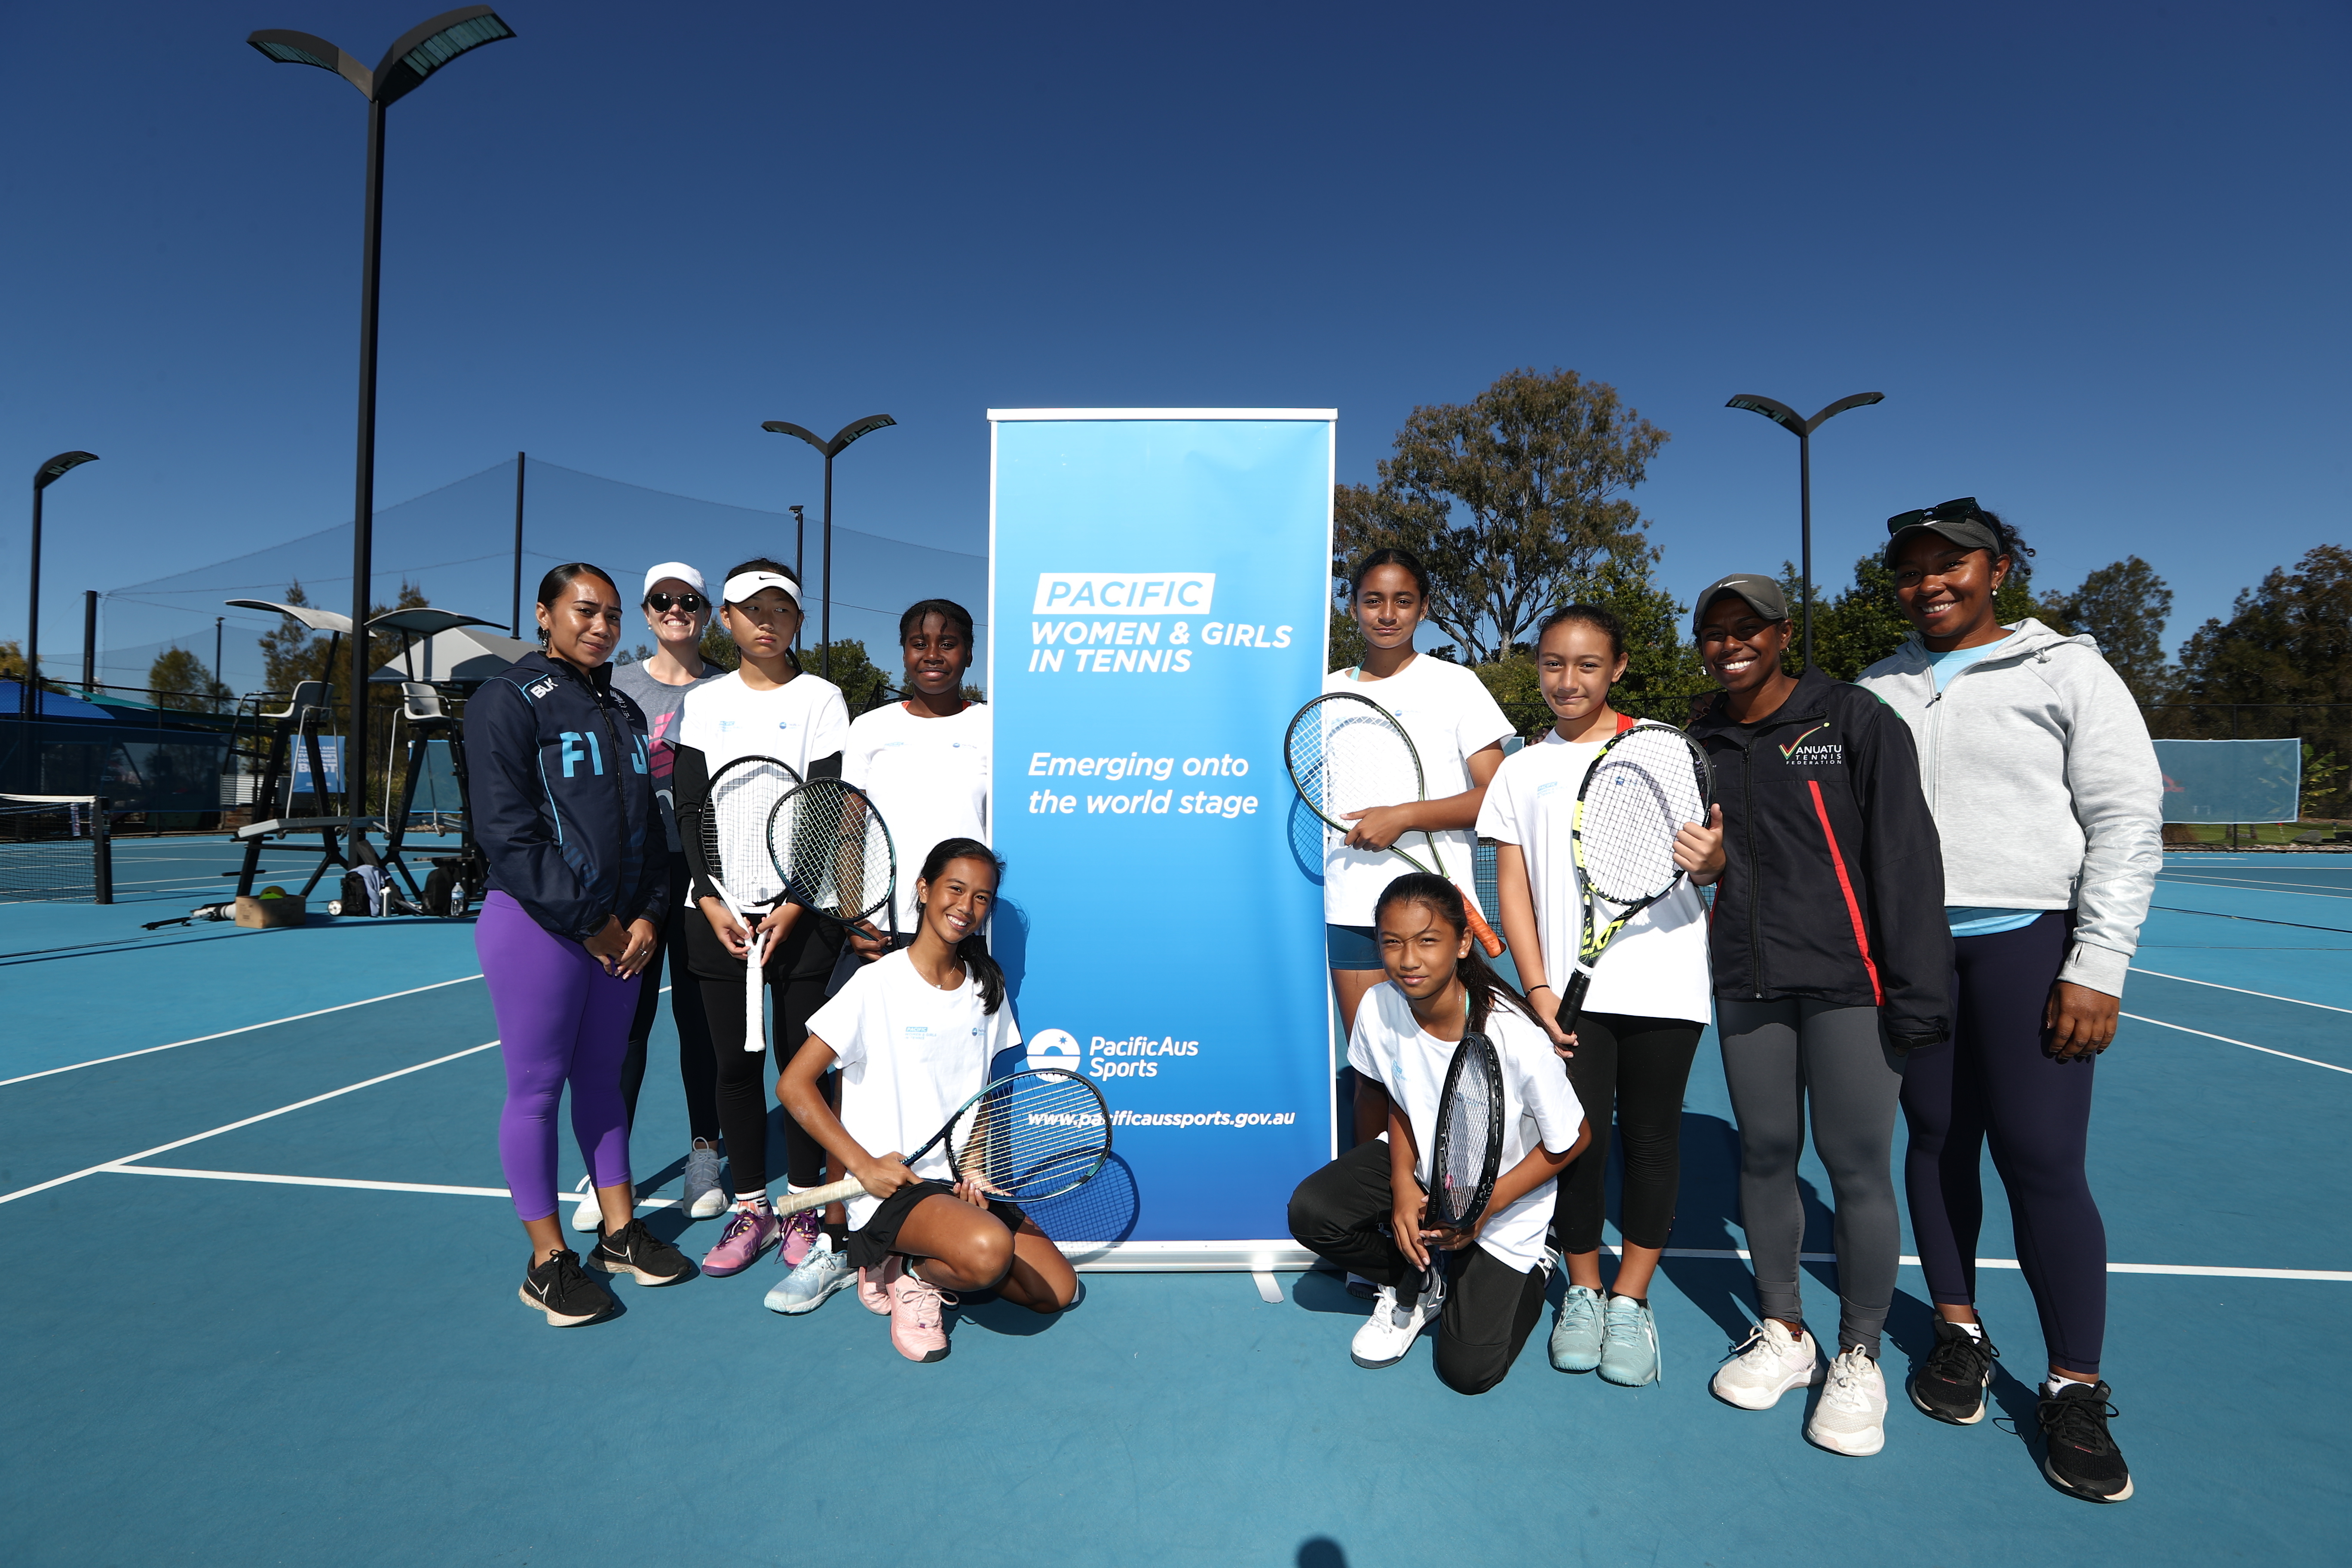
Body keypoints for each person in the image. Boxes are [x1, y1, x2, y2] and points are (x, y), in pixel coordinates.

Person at [1859, 499, 2160, 1504]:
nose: (1928, 583)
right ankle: (1957, 1335)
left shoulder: (2064, 668)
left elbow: (2123, 816)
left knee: (2039, 1159)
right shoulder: (1877, 688)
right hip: (1911, 958)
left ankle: (2072, 1384)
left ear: (1996, 569)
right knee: (1935, 1139)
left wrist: (2097, 960)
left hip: (2029, 947)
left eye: (1949, 564)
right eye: (1910, 569)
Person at [1686, 573, 1949, 1456]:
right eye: (1715, 631)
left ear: (1784, 633)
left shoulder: (1854, 721)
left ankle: (1860, 1355)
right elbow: (1688, 859)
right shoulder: (1698, 735)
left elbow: (1907, 860)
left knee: (1857, 1165)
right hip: (1746, 979)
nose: (1731, 644)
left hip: (1848, 982)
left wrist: (1917, 993)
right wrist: (1707, 866)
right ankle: (1786, 1332)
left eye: (1747, 628)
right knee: (1764, 1152)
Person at [1476, 604, 1722, 1388]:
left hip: (1664, 980)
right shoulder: (1519, 767)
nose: (1567, 679)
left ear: (1616, 667)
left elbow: (1698, 863)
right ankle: (1582, 1286)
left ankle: (1631, 1297)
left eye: (1587, 664)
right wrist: (1537, 983)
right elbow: (1510, 884)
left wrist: (1713, 862)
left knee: (1651, 1140)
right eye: (1552, 663)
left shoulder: (1659, 749)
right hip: (1566, 995)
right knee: (1574, 1139)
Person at [467, 562, 690, 1325]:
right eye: (584, 611)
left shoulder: (624, 710)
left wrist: (649, 916)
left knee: (603, 1079)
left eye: (611, 615)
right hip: (541, 928)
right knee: (536, 1090)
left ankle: (621, 1232)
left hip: (620, 936)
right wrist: (593, 920)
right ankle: (546, 1259)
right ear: (544, 614)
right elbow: (508, 834)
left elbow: (648, 834)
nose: (601, 626)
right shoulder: (507, 700)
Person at [1288, 872, 1588, 1393]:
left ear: (1463, 942)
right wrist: (1404, 1185)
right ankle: (1422, 1279)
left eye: (1428, 941)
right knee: (1312, 1213)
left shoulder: (1516, 1036)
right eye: (1392, 943)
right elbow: (1402, 1103)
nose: (1408, 960)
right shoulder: (1380, 1007)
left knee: (1468, 1372)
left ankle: (1537, 1262)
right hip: (1426, 1168)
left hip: (1503, 1197)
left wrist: (1485, 1207)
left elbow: (1573, 1138)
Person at [778, 839, 1076, 1361]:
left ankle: (918, 1260)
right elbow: (793, 1085)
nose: (966, 907)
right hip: (890, 1190)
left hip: (954, 1187)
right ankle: (913, 1275)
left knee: (1054, 1291)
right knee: (988, 1252)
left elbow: (980, 1096)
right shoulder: (875, 984)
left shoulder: (987, 989)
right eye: (955, 889)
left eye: (982, 898)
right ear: (924, 889)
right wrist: (863, 1167)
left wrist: (978, 1171)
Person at [674, 560, 851, 1280]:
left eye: (781, 609)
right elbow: (689, 808)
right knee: (734, 1068)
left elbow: (829, 803)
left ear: (798, 621)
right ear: (727, 618)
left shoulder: (822, 698)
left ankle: (805, 1204)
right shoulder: (703, 702)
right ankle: (753, 1205)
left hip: (802, 917)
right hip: (715, 915)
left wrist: (793, 900)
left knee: (801, 1070)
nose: (766, 620)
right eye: (751, 609)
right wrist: (711, 897)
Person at [1323, 548, 1513, 1140]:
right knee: (1373, 1077)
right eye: (1373, 600)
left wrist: (1404, 816)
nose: (1387, 614)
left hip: (1434, 912)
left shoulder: (1457, 686)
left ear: (1424, 608)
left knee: (1448, 1071)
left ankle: (1455, 1210)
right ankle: (1378, 1215)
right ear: (1351, 607)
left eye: (1403, 601)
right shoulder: (1323, 692)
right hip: (1352, 910)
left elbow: (1495, 795)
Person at [565, 562, 727, 1231]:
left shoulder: (728, 690)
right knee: (623, 1029)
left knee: (701, 1026)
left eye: (688, 601)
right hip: (633, 879)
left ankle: (704, 1156)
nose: (675, 610)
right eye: (662, 601)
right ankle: (609, 1171)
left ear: (706, 611)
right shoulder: (615, 684)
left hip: (704, 877)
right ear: (647, 611)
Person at [838, 597, 989, 954]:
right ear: (904, 653)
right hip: (883, 928)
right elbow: (851, 834)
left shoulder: (995, 727)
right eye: (919, 644)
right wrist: (852, 916)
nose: (933, 655)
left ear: (968, 654)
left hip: (968, 927)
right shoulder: (869, 727)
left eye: (948, 644)